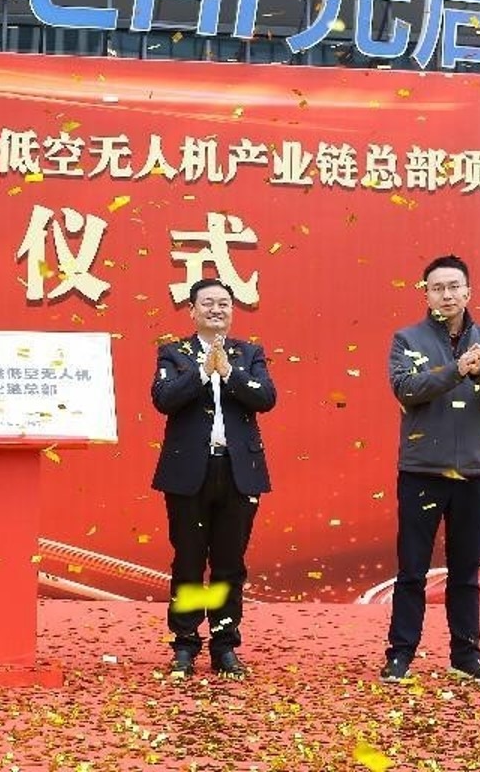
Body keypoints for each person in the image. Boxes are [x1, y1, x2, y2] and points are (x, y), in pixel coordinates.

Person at [381, 254, 480, 686]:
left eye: (454, 286)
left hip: (474, 474)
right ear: (426, 294)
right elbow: (405, 388)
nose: (447, 294)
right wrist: (455, 371)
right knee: (412, 571)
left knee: (466, 572)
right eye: (437, 287)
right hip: (421, 471)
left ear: (468, 292)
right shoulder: (407, 338)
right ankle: (400, 654)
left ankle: (466, 655)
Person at [151, 278, 276, 678]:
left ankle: (225, 645)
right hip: (189, 472)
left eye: (223, 303)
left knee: (229, 564)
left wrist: (230, 373)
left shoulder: (249, 353)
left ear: (232, 310)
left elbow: (266, 398)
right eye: (207, 303)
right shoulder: (174, 353)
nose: (216, 309)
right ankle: (185, 644)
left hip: (238, 472)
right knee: (188, 561)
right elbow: (164, 399)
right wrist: (203, 374)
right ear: (192, 310)